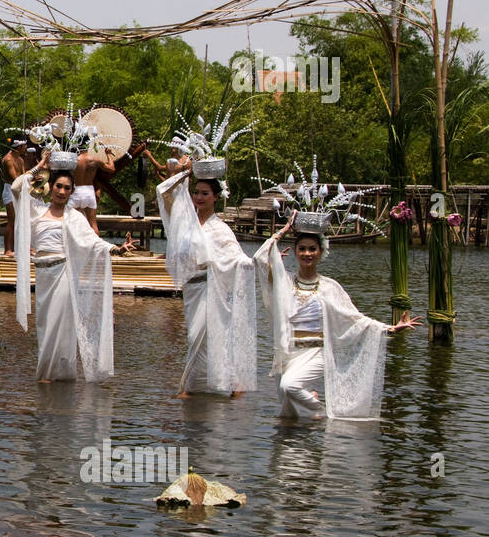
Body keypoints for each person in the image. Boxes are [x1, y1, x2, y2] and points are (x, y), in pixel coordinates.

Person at [255, 212, 421, 419]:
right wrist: (284, 230)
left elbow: (354, 318)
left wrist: (389, 328)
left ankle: (323, 413)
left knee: (290, 386)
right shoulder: (285, 281)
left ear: (321, 252)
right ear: (295, 252)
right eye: (303, 249)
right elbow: (259, 260)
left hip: (317, 352)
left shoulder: (329, 287)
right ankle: (302, 441)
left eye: (312, 249)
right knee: (289, 414)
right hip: (288, 350)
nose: (307, 253)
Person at [12, 159, 134, 382]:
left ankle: (48, 377)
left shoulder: (75, 217)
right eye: (58, 186)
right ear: (51, 186)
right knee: (45, 325)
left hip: (63, 275)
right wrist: (40, 166)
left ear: (71, 192)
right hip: (43, 274)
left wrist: (116, 248)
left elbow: (93, 242)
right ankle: (56, 376)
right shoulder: (36, 210)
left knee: (60, 325)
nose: (61, 191)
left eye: (67, 188)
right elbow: (16, 187)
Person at [157, 169, 256, 397]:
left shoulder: (220, 229)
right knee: (203, 340)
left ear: (216, 197)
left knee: (197, 338)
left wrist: (260, 261)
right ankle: (230, 384)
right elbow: (163, 192)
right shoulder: (186, 223)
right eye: (196, 193)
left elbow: (239, 259)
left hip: (211, 288)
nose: (199, 197)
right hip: (191, 289)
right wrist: (187, 172)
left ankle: (188, 390)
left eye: (205, 193)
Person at [0, 137, 39, 257]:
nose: (26, 148)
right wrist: (30, 176)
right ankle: (8, 250)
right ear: (19, 147)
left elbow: (23, 176)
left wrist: (34, 179)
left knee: (23, 219)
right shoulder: (8, 159)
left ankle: (24, 248)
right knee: (12, 220)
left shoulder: (20, 160)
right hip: (10, 190)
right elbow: (16, 179)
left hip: (20, 190)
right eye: (24, 146)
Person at [71, 150, 110, 234]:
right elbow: (112, 168)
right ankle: (96, 246)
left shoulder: (73, 159)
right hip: (89, 192)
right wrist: (108, 154)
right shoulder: (95, 159)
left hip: (76, 192)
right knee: (93, 225)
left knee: (67, 222)